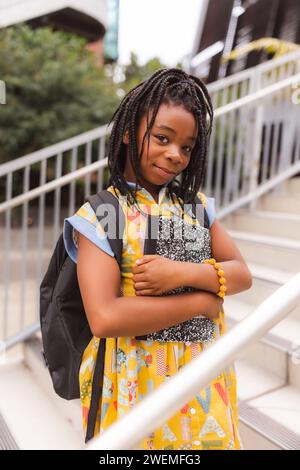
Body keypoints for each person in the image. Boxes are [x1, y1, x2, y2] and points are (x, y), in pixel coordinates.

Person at [63, 68, 253, 450]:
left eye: (186, 147)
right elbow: (105, 317)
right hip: (134, 385)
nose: (175, 155)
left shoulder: (196, 208)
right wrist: (201, 302)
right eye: (163, 138)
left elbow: (242, 274)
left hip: (201, 383)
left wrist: (182, 273)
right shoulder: (105, 214)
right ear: (130, 132)